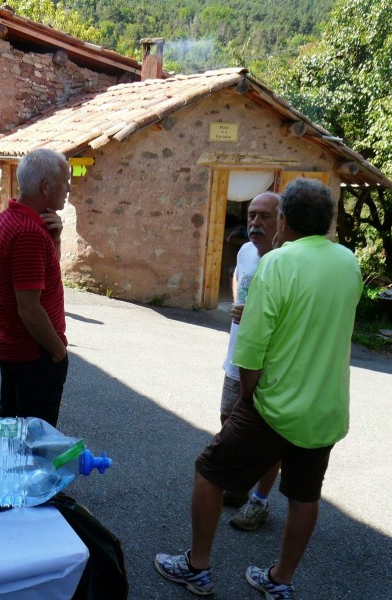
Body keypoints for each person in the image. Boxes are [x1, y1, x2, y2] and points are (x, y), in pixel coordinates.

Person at [154, 178, 362, 599]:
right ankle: (280, 581)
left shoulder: (278, 263)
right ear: (328, 221)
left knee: (209, 471)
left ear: (284, 220)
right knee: (305, 495)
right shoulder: (347, 263)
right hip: (325, 409)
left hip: (274, 404)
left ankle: (197, 566)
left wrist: (250, 396)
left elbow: (250, 349)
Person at [0, 148, 70, 427]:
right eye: (65, 182)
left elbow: (42, 277)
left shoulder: (6, 219)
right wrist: (58, 352)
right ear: (46, 187)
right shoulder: (28, 233)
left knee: (11, 432)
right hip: (34, 355)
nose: (69, 188)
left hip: (13, 347)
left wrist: (55, 240)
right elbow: (30, 309)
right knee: (34, 443)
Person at [221, 192, 282, 532]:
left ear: (281, 220)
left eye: (265, 216)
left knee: (265, 438)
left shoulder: (285, 262)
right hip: (235, 359)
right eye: (252, 215)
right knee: (228, 421)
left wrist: (254, 316)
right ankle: (238, 484)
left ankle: (259, 501)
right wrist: (237, 302)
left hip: (267, 366)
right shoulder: (246, 251)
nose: (256, 223)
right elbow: (238, 276)